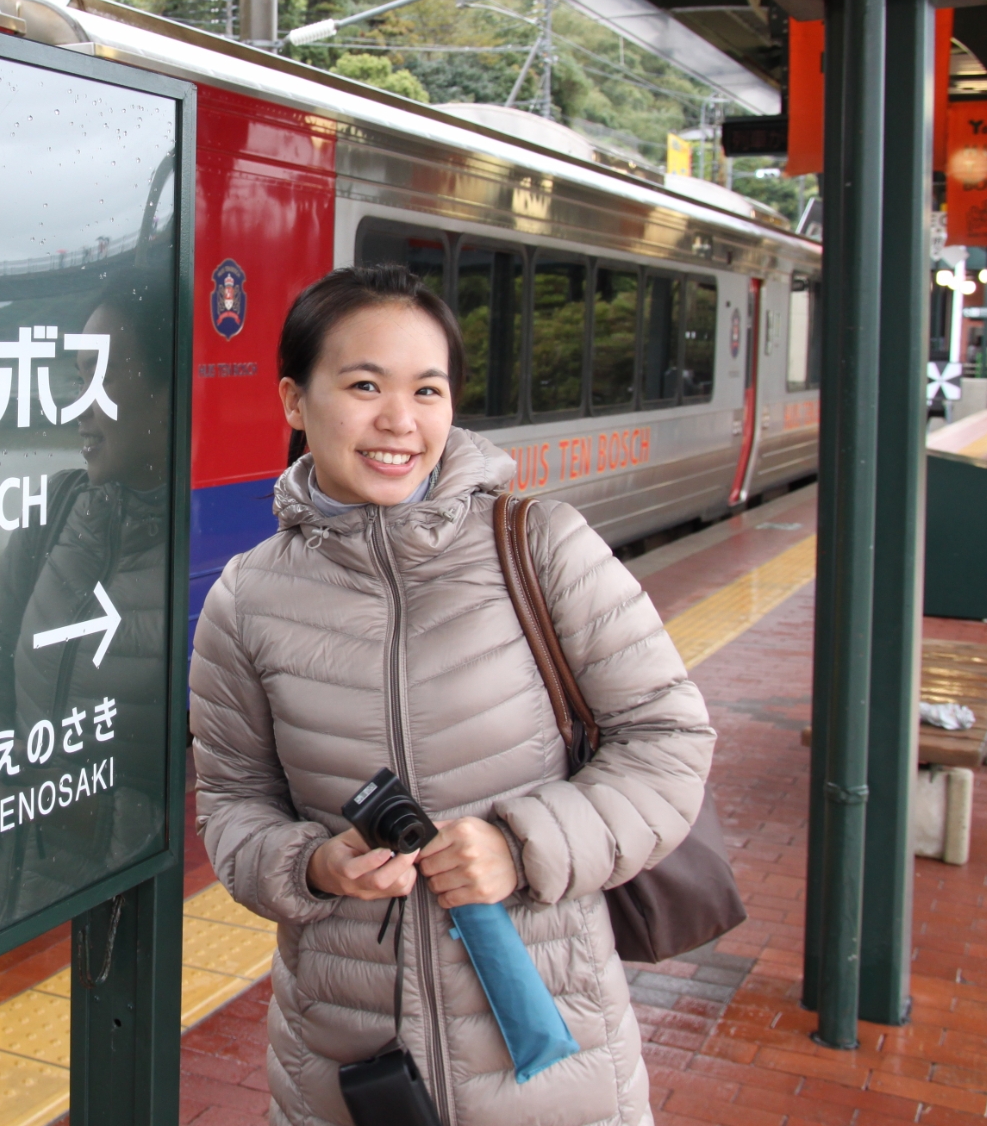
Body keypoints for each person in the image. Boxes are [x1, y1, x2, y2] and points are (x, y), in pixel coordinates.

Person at [191, 264, 714, 1126]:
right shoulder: (247, 599)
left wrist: (523, 845)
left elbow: (669, 741)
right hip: (349, 1063)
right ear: (294, 400)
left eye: (427, 389)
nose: (400, 420)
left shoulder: (541, 545)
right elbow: (232, 803)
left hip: (556, 1057)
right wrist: (312, 866)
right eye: (365, 385)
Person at [0, 268, 173, 949]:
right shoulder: (59, 509)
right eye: (76, 379)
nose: (79, 408)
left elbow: (231, 799)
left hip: (118, 937)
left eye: (102, 378)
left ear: (172, 391)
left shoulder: (217, 561)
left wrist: (88, 813)